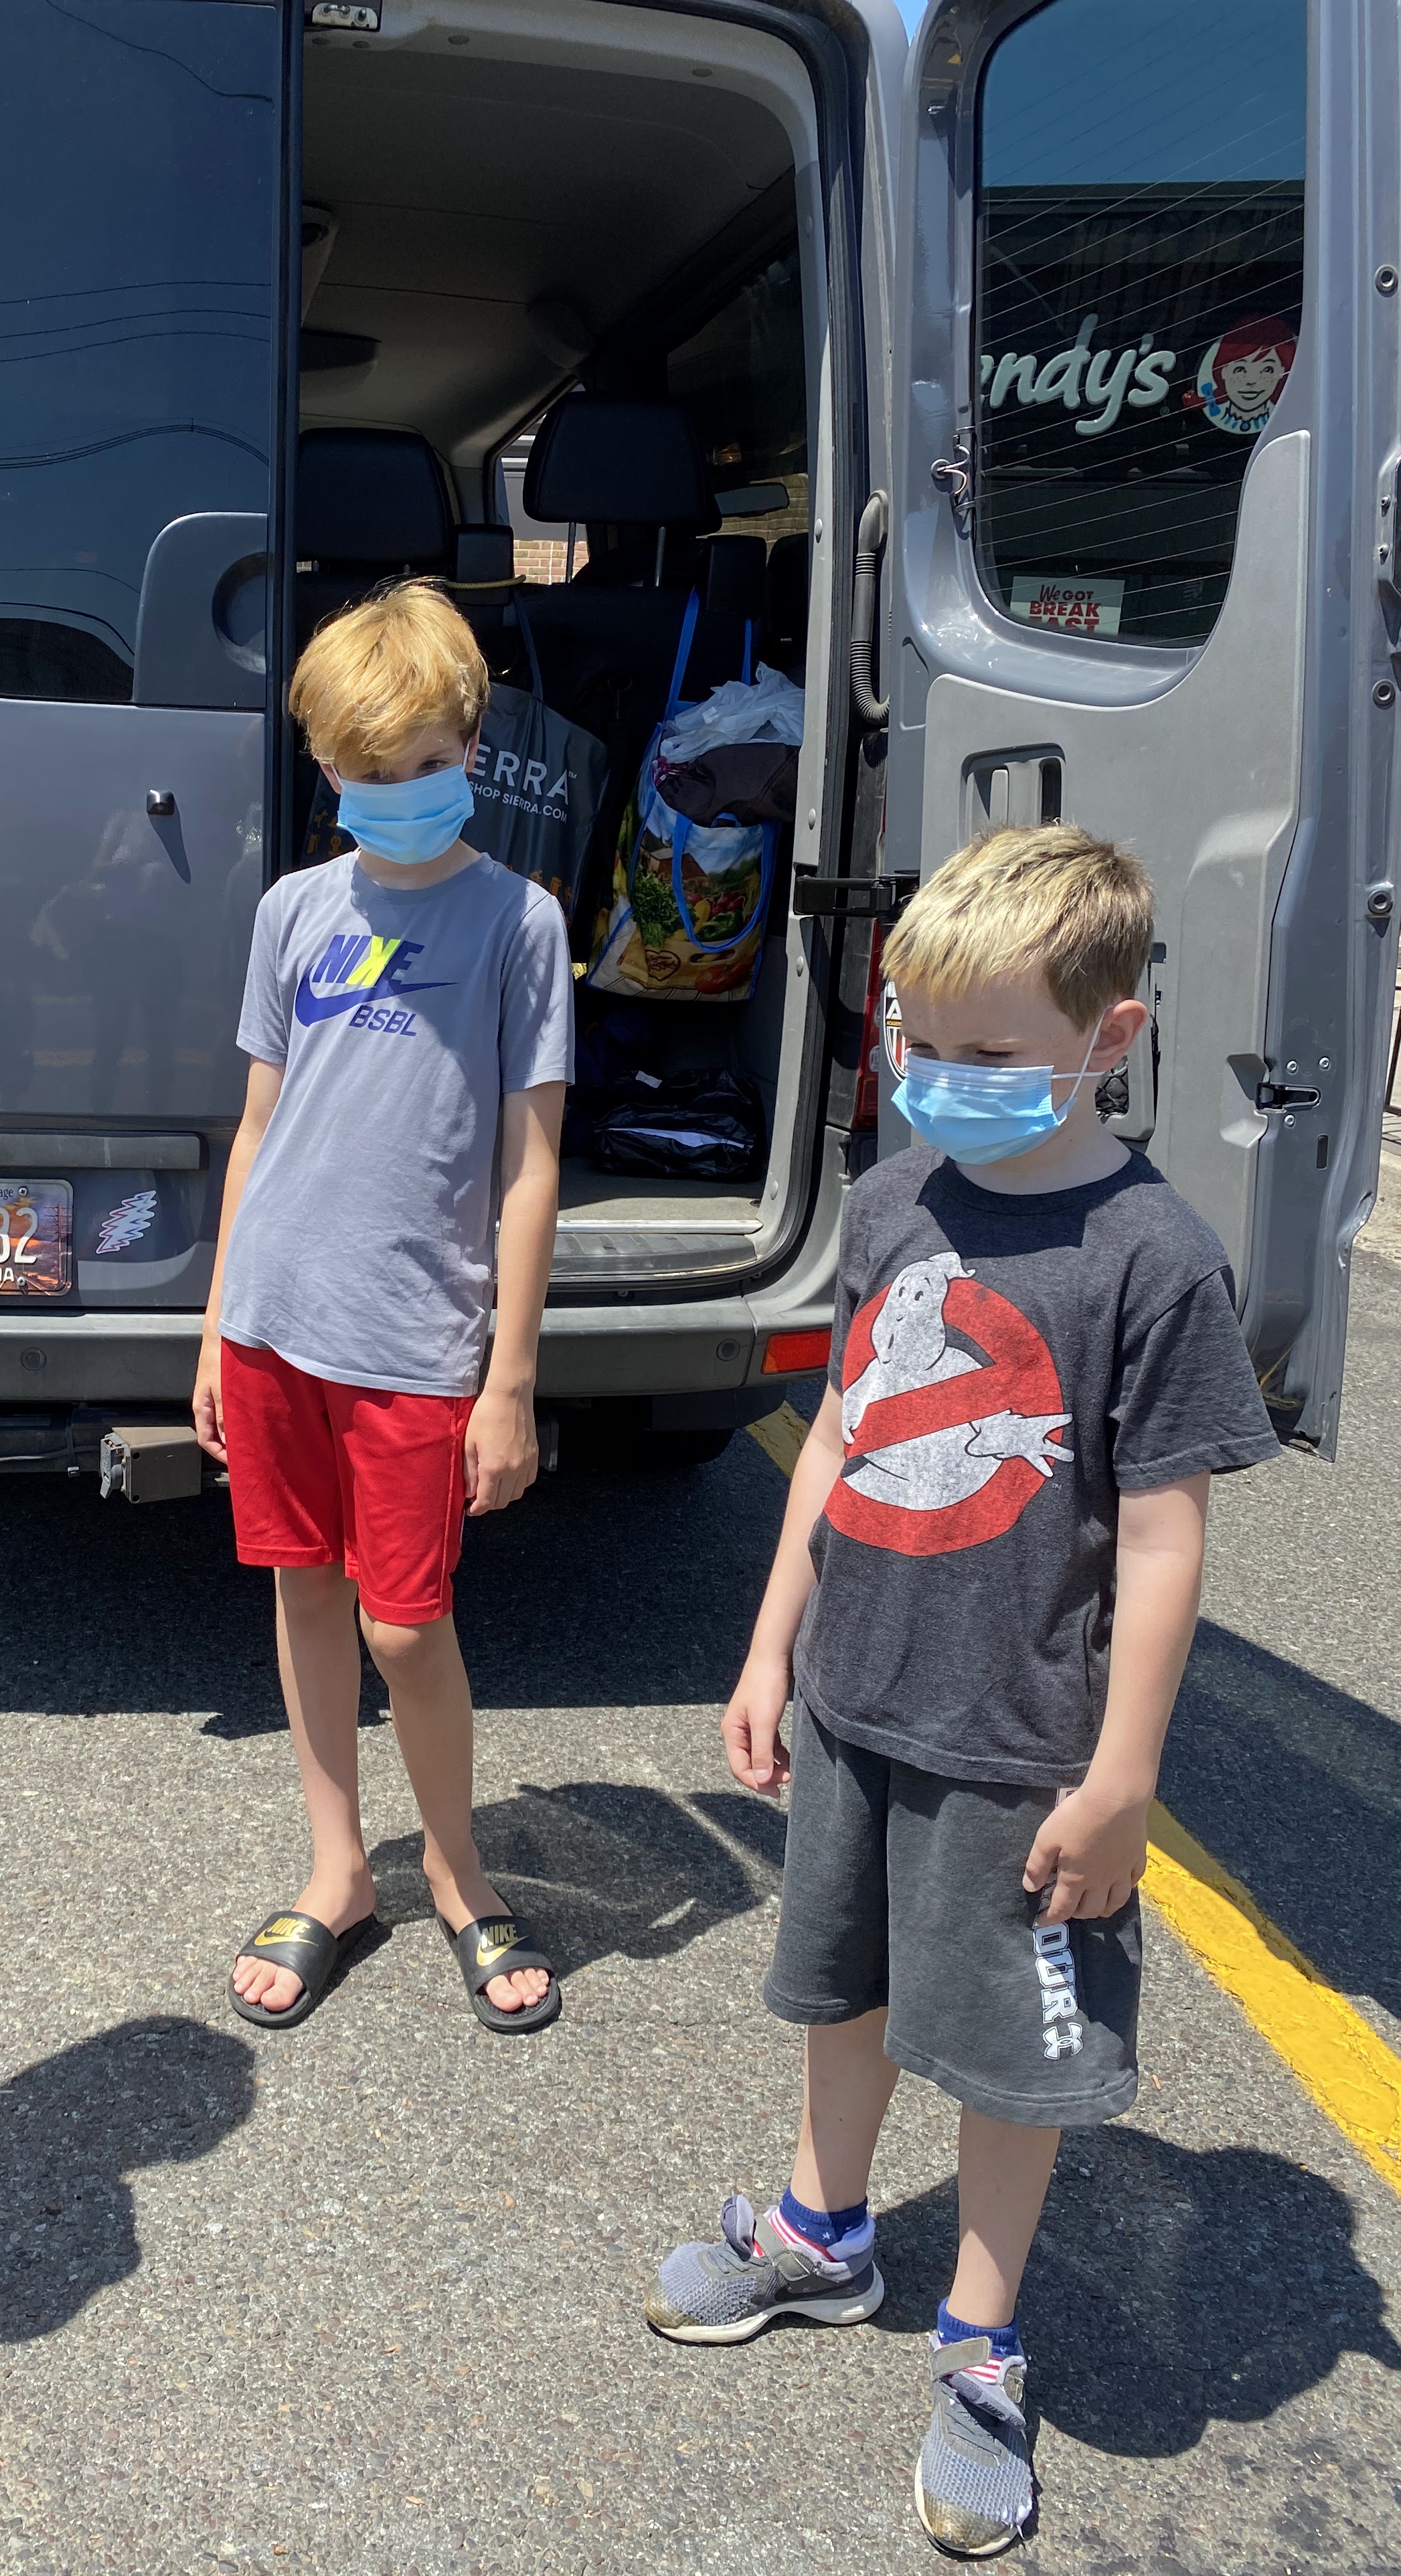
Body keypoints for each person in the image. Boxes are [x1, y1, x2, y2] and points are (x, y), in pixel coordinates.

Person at [643, 825, 1280, 2556]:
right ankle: (823, 2232)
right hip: (858, 1700)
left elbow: (1166, 1544)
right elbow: (838, 1439)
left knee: (1012, 2058)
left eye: (989, 1048)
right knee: (836, 1986)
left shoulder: (1152, 1257)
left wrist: (1122, 1779)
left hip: (1021, 1746)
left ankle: (982, 2342)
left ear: (1111, 1036)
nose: (939, 1075)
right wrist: (772, 1643)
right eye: (918, 1039)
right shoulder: (888, 1201)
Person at [193, 580, 573, 2035]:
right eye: (364, 769)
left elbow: (531, 1166)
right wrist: (213, 1327)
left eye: (422, 763)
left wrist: (510, 1378)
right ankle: (340, 1867)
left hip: (418, 1340)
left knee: (407, 1626)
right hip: (273, 1322)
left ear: (471, 747)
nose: (395, 791)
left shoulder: (520, 921)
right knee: (301, 1587)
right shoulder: (293, 911)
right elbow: (257, 1129)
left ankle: (459, 1871)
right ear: (325, 767)